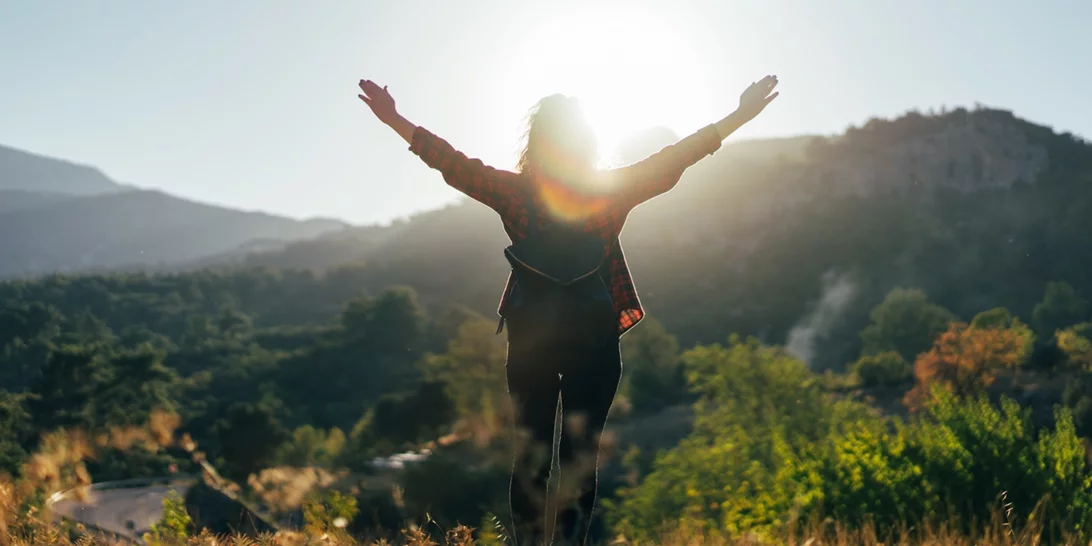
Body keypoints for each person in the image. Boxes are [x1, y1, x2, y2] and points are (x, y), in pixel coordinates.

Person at [358, 74, 779, 545]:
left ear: (536, 143)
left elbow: (452, 164)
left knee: (531, 457)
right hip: (595, 342)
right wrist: (741, 115)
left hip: (531, 343)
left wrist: (394, 119)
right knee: (580, 461)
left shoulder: (516, 194)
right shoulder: (610, 190)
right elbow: (677, 157)